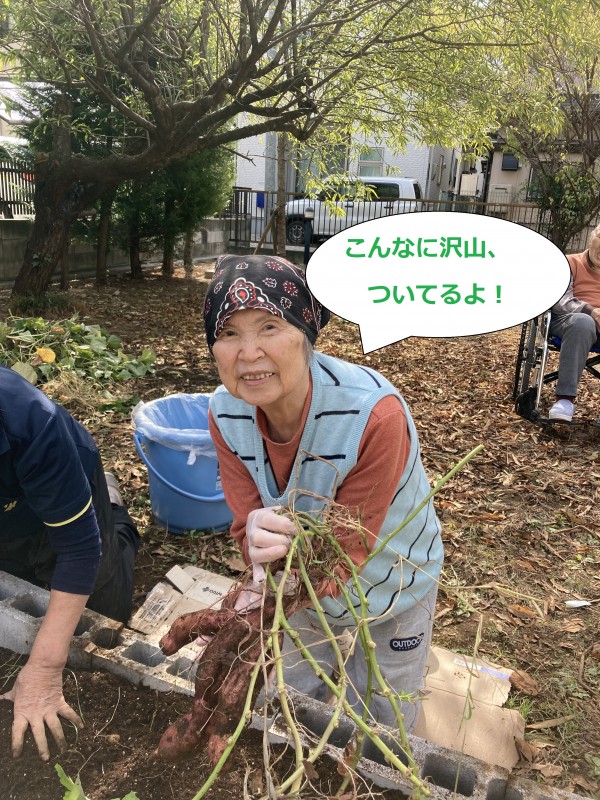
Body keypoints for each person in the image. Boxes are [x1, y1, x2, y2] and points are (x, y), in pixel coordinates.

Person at [203, 254, 442, 733]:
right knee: (290, 701)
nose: (248, 353)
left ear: (306, 333)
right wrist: (254, 553)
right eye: (228, 333)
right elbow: (246, 525)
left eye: (269, 327)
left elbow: (343, 554)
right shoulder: (224, 413)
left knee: (383, 717)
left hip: (393, 583)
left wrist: (260, 604)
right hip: (298, 588)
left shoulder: (373, 415)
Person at [0, 365, 140, 760]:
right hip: (10, 506)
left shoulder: (29, 423)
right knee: (23, 577)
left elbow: (79, 550)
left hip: (63, 480)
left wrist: (44, 670)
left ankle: (112, 507)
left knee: (102, 608)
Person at [548, 224, 600, 422]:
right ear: (591, 239)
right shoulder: (569, 262)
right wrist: (591, 311)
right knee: (583, 322)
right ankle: (565, 400)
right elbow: (560, 301)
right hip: (570, 321)